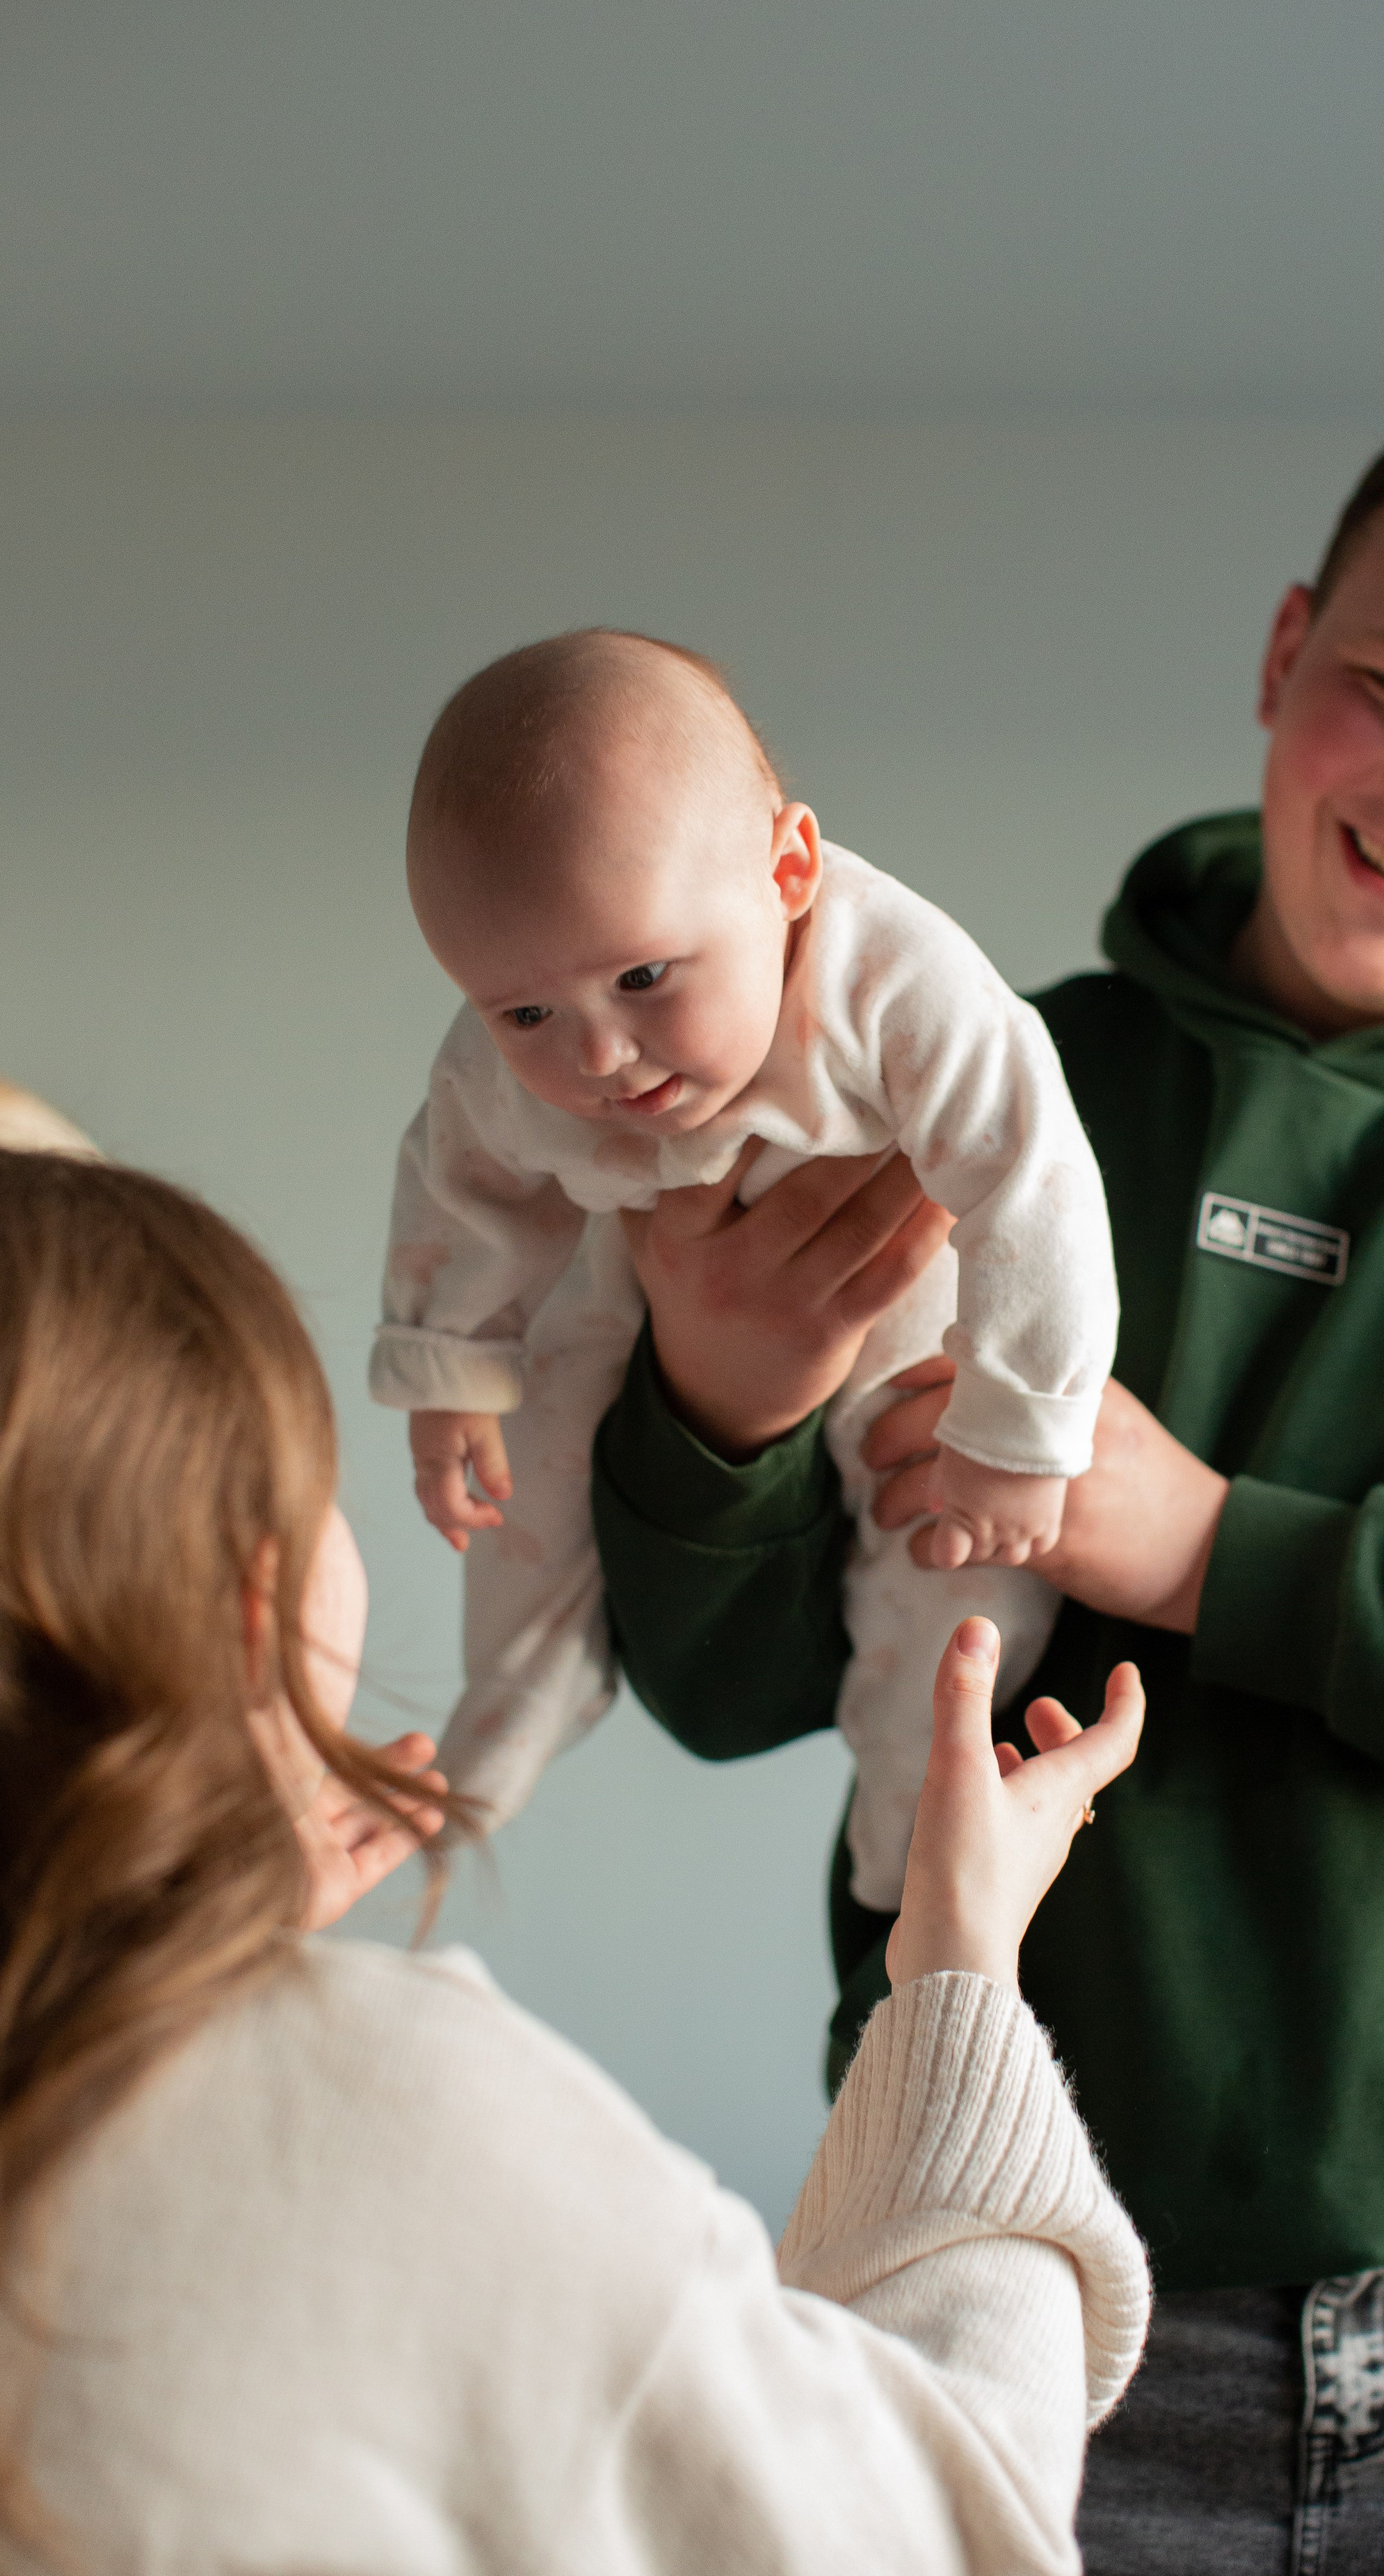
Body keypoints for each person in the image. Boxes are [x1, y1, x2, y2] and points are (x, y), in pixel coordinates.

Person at [590, 390, 1384, 2570]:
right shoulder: (958, 1086)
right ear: (1286, 654)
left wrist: (1212, 1553)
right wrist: (718, 1425)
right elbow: (733, 1695)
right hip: (1013, 2267)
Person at [0, 1143, 1150, 2576]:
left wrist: (198, 1933)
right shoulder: (391, 2123)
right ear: (247, 1586)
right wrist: (960, 1970)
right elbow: (953, 2539)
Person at [371, 627, 1116, 1906]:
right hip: (640, 1284)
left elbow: (1028, 1178)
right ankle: (499, 1722)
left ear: (788, 868)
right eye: (527, 1015)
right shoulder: (498, 1053)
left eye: (645, 976)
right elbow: (466, 1186)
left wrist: (1023, 1422)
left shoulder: (898, 976)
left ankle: (916, 1830)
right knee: (528, 1473)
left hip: (911, 1308)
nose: (597, 1055)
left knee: (953, 1559)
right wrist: (454, 1366)